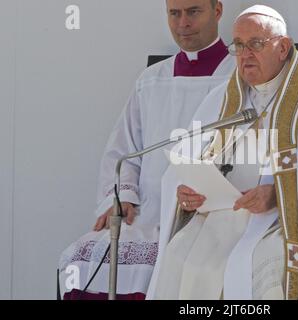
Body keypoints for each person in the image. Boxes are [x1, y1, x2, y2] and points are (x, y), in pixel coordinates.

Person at [146, 5, 298, 300]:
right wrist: (187, 196)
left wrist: (278, 193)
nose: (246, 54)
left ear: (283, 47)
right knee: (179, 254)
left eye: (256, 44)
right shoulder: (221, 100)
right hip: (223, 216)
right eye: (238, 46)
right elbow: (188, 164)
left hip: (281, 222)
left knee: (258, 262)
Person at [58, 0, 235, 300]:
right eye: (174, 13)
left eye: (193, 12)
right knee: (82, 259)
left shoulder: (238, 76)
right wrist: (123, 196)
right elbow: (123, 148)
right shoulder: (152, 80)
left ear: (217, 11)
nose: (183, 24)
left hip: (208, 211)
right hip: (146, 211)